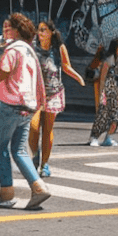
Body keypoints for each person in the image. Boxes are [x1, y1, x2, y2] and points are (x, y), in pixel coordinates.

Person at [0, 12, 51, 209]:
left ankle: (6, 194)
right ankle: (39, 187)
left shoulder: (12, 50)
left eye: (8, 27)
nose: (4, 31)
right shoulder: (29, 50)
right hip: (28, 106)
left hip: (11, 104)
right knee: (19, 150)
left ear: (16, 30)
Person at [29, 19, 85, 178]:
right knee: (33, 127)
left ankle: (44, 164)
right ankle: (34, 156)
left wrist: (79, 78)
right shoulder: (32, 47)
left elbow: (66, 67)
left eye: (43, 30)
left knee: (47, 130)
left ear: (51, 32)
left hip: (53, 93)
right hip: (34, 94)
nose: (40, 33)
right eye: (39, 30)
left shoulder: (59, 48)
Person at [89, 36, 118, 147]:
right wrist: (101, 94)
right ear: (116, 47)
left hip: (115, 92)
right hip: (106, 92)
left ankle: (108, 137)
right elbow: (102, 76)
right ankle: (94, 138)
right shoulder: (109, 59)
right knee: (103, 114)